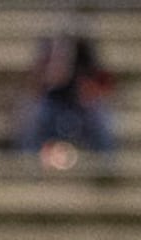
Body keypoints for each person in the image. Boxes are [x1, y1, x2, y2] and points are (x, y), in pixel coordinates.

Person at [10, 16, 119, 168]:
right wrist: (47, 78)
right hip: (52, 102)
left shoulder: (85, 50)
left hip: (81, 105)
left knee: (102, 119)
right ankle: (26, 165)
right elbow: (35, 81)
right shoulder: (48, 48)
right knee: (31, 116)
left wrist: (88, 90)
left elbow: (101, 82)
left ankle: (108, 167)